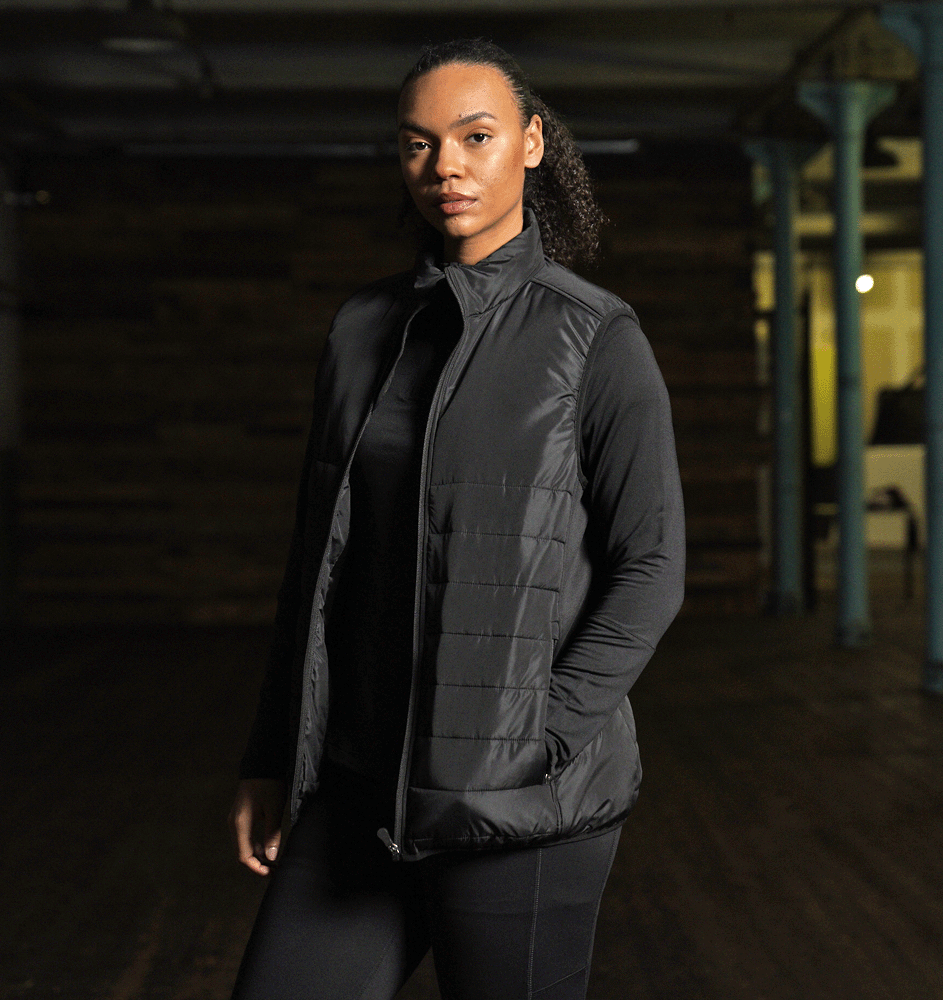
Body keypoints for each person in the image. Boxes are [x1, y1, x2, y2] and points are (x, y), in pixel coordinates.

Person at [228, 38, 685, 1000]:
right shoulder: (361, 330)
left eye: (476, 136)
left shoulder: (594, 336)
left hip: (516, 803)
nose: (446, 166)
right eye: (419, 143)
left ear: (531, 143)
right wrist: (273, 755)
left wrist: (539, 739)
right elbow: (317, 564)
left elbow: (651, 566)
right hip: (358, 779)